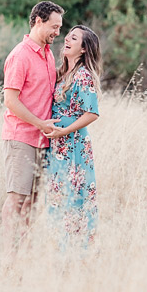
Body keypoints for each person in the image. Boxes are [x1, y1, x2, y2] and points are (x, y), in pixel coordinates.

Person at [1, 1, 64, 253]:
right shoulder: (20, 55)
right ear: (38, 20)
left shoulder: (47, 53)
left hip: (43, 140)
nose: (57, 32)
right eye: (54, 26)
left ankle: (23, 254)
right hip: (21, 138)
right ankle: (8, 257)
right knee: (16, 198)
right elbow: (10, 100)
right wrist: (39, 123)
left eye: (59, 28)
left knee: (33, 202)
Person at [43, 25, 101, 248]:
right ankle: (58, 248)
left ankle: (76, 250)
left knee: (73, 196)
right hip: (58, 145)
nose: (66, 39)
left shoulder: (83, 75)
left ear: (84, 48)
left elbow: (92, 113)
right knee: (58, 196)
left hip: (74, 145)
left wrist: (65, 131)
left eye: (73, 38)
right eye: (67, 35)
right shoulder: (62, 72)